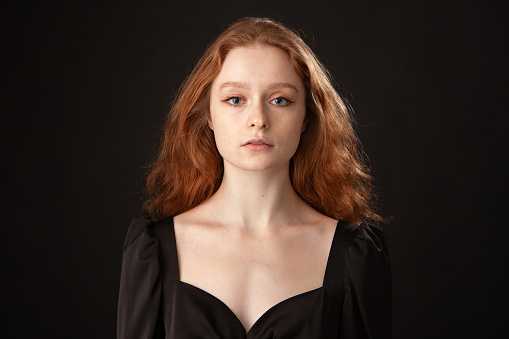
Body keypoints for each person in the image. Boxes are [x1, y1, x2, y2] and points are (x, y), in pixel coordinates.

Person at [117, 17, 391, 339]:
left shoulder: (353, 255)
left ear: (307, 117)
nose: (258, 120)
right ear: (208, 114)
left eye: (280, 100)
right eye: (235, 99)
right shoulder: (154, 251)